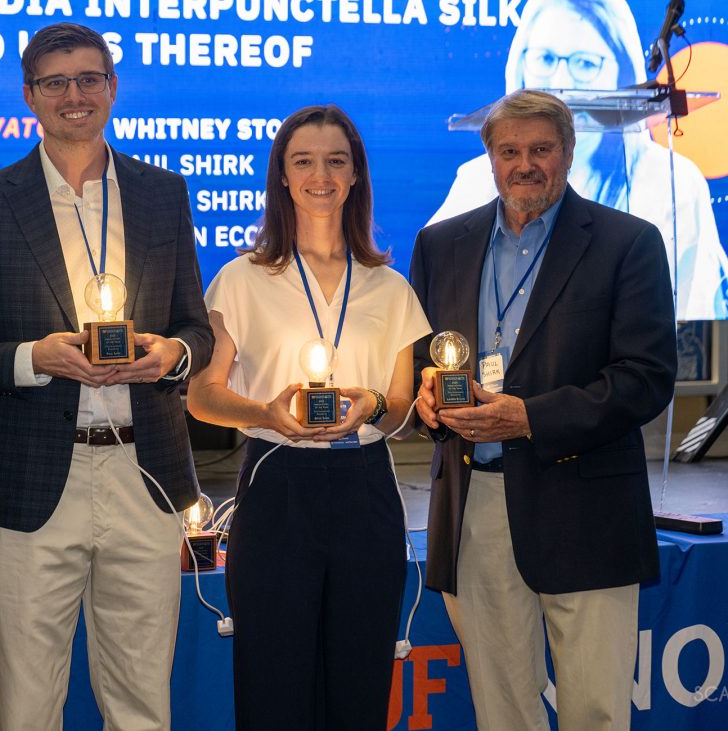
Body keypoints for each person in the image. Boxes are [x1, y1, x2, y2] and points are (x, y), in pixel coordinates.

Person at [0, 22, 214, 730]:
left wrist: (169, 358)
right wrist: (37, 358)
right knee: (26, 701)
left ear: (113, 89)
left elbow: (196, 328)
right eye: (56, 82)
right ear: (29, 96)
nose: (75, 95)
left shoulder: (164, 194)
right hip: (30, 481)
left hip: (144, 474)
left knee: (141, 697)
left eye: (90, 78)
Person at [411, 89, 677, 730]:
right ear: (490, 158)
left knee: (595, 712)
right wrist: (423, 400)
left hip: (586, 509)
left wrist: (528, 418)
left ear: (569, 151)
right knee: (503, 713)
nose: (524, 164)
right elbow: (426, 364)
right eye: (509, 151)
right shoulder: (441, 244)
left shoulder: (628, 243)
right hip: (474, 511)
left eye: (540, 150)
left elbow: (646, 379)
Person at [187, 104, 431, 730]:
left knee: (360, 681)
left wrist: (371, 406)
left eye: (335, 161)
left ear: (355, 177)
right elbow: (203, 394)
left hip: (366, 489)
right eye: (303, 161)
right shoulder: (240, 279)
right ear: (283, 178)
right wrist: (265, 411)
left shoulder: (389, 287)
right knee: (273, 684)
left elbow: (400, 407)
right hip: (276, 486)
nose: (320, 175)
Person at [429, 0, 728, 320]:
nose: (559, 79)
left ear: (622, 71)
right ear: (521, 65)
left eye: (585, 64)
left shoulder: (672, 182)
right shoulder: (477, 181)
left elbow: (693, 333)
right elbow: (437, 313)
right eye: (545, 59)